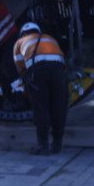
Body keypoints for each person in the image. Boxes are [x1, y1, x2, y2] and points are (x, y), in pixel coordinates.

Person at [12, 22, 69, 155]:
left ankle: (43, 145)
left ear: (22, 34)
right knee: (58, 107)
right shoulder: (50, 38)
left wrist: (27, 86)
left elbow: (20, 68)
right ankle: (57, 144)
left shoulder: (20, 42)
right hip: (58, 71)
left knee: (41, 107)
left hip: (38, 71)